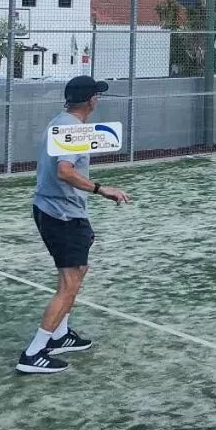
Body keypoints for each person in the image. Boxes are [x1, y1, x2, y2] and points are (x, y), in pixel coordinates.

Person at [17, 76, 131, 375]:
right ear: (90, 100)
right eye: (98, 95)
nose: (99, 100)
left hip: (56, 210)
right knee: (70, 284)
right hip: (61, 215)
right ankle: (34, 352)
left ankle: (60, 335)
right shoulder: (72, 129)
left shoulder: (62, 120)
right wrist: (101, 189)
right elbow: (65, 171)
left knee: (78, 272)